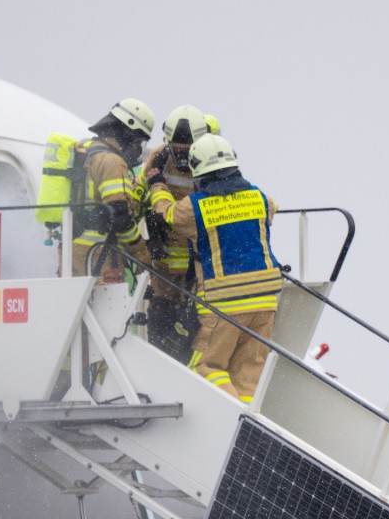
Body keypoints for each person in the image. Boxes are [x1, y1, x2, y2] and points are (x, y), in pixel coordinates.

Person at [146, 134, 282, 404]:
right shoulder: (260, 199)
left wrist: (156, 185)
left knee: (207, 367)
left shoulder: (196, 207)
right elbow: (271, 211)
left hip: (225, 304)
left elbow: (167, 215)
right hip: (266, 301)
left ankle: (235, 419)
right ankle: (248, 428)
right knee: (247, 374)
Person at [138, 105, 211, 359]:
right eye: (175, 148)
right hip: (165, 260)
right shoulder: (158, 157)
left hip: (199, 260)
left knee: (195, 326)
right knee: (161, 319)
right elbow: (140, 191)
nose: (180, 155)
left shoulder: (211, 158)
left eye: (186, 149)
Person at [71, 98, 155, 278]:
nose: (138, 149)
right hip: (99, 256)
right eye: (138, 141)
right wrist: (142, 252)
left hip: (72, 251)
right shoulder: (112, 162)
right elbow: (121, 218)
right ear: (127, 133)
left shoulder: (84, 149)